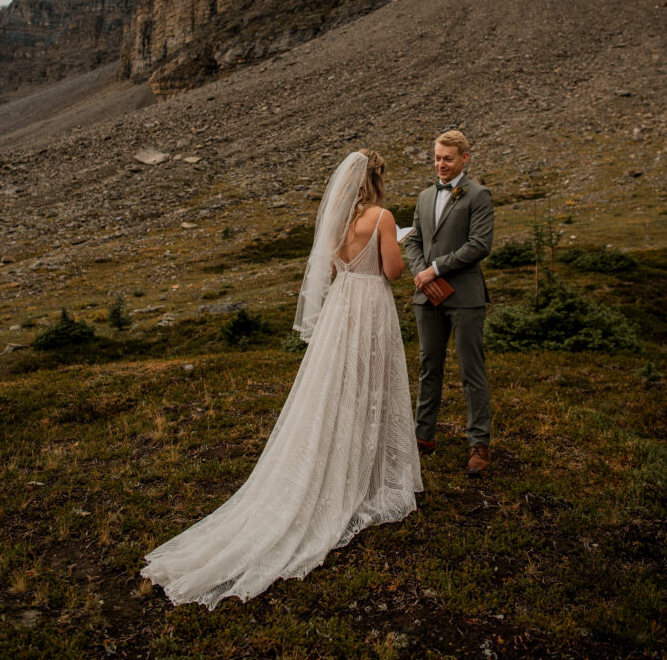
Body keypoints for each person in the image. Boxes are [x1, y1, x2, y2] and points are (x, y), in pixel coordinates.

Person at [141, 149, 422, 610]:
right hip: (370, 308)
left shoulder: (336, 220)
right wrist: (403, 240)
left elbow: (331, 267)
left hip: (341, 311)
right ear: (379, 179)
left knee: (338, 391)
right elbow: (392, 271)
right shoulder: (383, 216)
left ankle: (342, 457)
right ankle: (368, 474)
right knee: (370, 387)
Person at [404, 130, 494, 475]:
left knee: (472, 370)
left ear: (464, 159)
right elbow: (413, 239)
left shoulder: (479, 195)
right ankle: (423, 436)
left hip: (465, 295)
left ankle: (478, 444)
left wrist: (437, 268)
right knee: (429, 366)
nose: (441, 164)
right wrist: (421, 272)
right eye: (438, 158)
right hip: (427, 297)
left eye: (448, 158)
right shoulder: (425, 196)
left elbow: (479, 245)